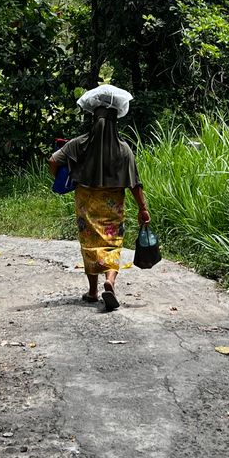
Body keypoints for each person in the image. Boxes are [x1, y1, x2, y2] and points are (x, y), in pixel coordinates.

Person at [48, 86, 150, 311]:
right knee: (112, 242)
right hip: (113, 202)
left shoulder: (79, 143)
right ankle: (110, 282)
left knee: (90, 243)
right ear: (116, 119)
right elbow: (134, 183)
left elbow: (53, 160)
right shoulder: (124, 150)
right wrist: (143, 208)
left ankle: (93, 291)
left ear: (94, 117)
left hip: (86, 199)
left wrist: (66, 179)